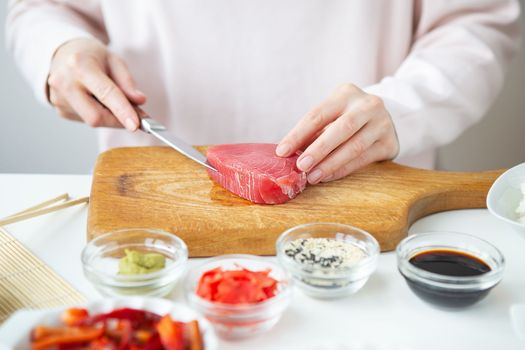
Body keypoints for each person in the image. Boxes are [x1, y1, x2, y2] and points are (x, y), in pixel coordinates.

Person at [6, 1, 521, 184]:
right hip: (153, 186)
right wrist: (59, 52)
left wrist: (408, 106)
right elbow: (39, 7)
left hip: (370, 189)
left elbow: (474, 22)